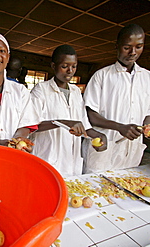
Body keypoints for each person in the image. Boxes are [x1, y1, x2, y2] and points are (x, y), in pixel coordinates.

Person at [83, 24, 150, 173]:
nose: (133, 53)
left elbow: (146, 114)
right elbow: (90, 115)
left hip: (132, 151)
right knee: (94, 190)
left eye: (139, 47)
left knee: (125, 190)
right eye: (127, 47)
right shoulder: (102, 76)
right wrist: (119, 127)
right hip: (104, 148)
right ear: (117, 46)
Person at [29, 45, 107, 176]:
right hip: (47, 158)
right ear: (53, 66)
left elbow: (84, 125)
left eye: (74, 66)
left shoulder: (76, 92)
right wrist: (62, 122)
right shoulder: (41, 90)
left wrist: (99, 136)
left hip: (71, 161)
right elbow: (31, 125)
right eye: (65, 66)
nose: (70, 71)